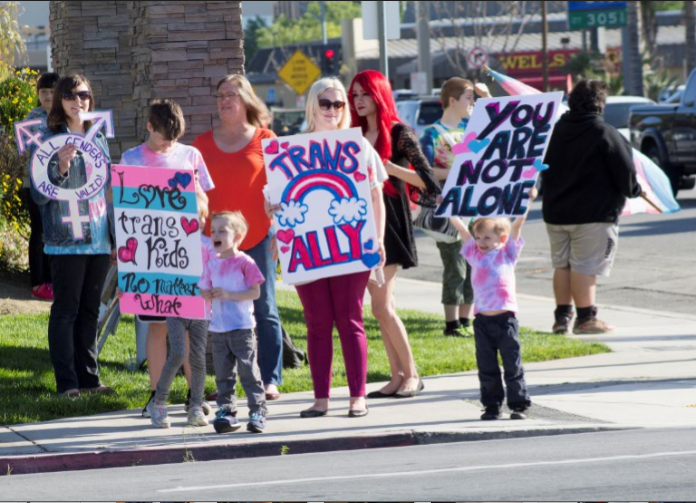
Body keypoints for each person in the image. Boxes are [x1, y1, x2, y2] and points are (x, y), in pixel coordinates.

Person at [270, 77, 386, 418]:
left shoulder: (358, 146)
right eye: (325, 103)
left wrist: (378, 239)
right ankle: (321, 398)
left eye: (339, 104)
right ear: (312, 106)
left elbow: (376, 194)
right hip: (308, 249)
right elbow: (279, 199)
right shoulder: (291, 148)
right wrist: (278, 223)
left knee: (351, 319)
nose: (333, 110)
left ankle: (357, 397)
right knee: (317, 322)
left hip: (352, 245)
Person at [119, 99, 215, 417]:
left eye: (174, 138)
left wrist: (196, 192)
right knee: (157, 326)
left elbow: (205, 204)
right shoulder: (131, 158)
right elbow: (124, 211)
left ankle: (194, 395)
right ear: (149, 126)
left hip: (185, 253)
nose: (169, 144)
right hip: (147, 256)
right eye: (164, 137)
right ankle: (156, 395)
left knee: (188, 327)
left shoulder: (191, 156)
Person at [348, 69, 440, 398]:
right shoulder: (352, 134)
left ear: (379, 94)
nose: (358, 101)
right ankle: (396, 376)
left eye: (364, 94)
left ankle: (412, 374)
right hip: (361, 224)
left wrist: (388, 167)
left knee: (381, 307)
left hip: (392, 224)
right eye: (354, 95)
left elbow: (428, 182)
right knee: (380, 305)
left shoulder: (399, 132)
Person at [193, 75, 284, 401]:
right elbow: (193, 193)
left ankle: (270, 378)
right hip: (215, 244)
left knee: (264, 307)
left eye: (231, 94)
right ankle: (225, 383)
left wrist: (281, 230)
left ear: (246, 99)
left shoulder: (267, 139)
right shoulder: (201, 145)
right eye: (220, 95)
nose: (224, 100)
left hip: (258, 237)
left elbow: (282, 192)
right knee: (218, 313)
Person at [30, 74, 115, 397]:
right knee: (66, 310)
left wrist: (114, 238)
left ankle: (89, 379)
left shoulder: (98, 137)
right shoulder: (46, 137)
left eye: (84, 95)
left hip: (97, 237)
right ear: (60, 102)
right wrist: (60, 168)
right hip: (64, 238)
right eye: (70, 96)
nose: (79, 101)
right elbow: (38, 195)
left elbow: (106, 190)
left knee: (90, 311)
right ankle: (67, 383)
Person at [543, 79, 642, 335]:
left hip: (555, 211)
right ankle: (586, 318)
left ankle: (562, 318)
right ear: (599, 103)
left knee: (562, 265)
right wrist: (634, 190)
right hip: (592, 214)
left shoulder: (555, 130)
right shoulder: (604, 132)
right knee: (584, 266)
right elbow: (626, 172)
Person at [449, 188, 538, 420]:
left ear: (502, 239)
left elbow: (517, 225)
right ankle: (491, 405)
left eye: (487, 238)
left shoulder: (507, 254)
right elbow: (460, 229)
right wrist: (448, 208)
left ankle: (518, 405)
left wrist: (527, 200)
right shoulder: (474, 254)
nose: (481, 242)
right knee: (486, 366)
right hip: (482, 321)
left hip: (505, 319)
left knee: (512, 364)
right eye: (479, 238)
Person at [420, 77, 491, 338]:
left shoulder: (471, 126)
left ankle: (466, 319)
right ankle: (451, 324)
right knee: (455, 266)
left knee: (475, 264)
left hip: (475, 206)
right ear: (452, 100)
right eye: (469, 98)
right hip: (449, 208)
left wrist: (486, 95)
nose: (472, 103)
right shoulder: (432, 133)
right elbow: (424, 171)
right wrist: (452, 170)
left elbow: (500, 126)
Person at [200, 211, 267, 434]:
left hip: (241, 327)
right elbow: (203, 288)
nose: (215, 235)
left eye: (222, 231)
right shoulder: (211, 264)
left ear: (238, 237)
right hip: (218, 328)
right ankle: (227, 411)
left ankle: (257, 410)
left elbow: (255, 292)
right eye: (212, 231)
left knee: (248, 371)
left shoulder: (244, 262)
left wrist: (229, 295)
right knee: (223, 374)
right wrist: (207, 294)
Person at [21, 72, 60, 301]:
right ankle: (38, 282)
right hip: (34, 183)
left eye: (52, 92)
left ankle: (53, 280)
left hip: (60, 183)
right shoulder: (32, 118)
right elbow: (23, 149)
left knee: (55, 231)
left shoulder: (64, 117)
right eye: (43, 91)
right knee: (39, 232)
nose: (47, 96)